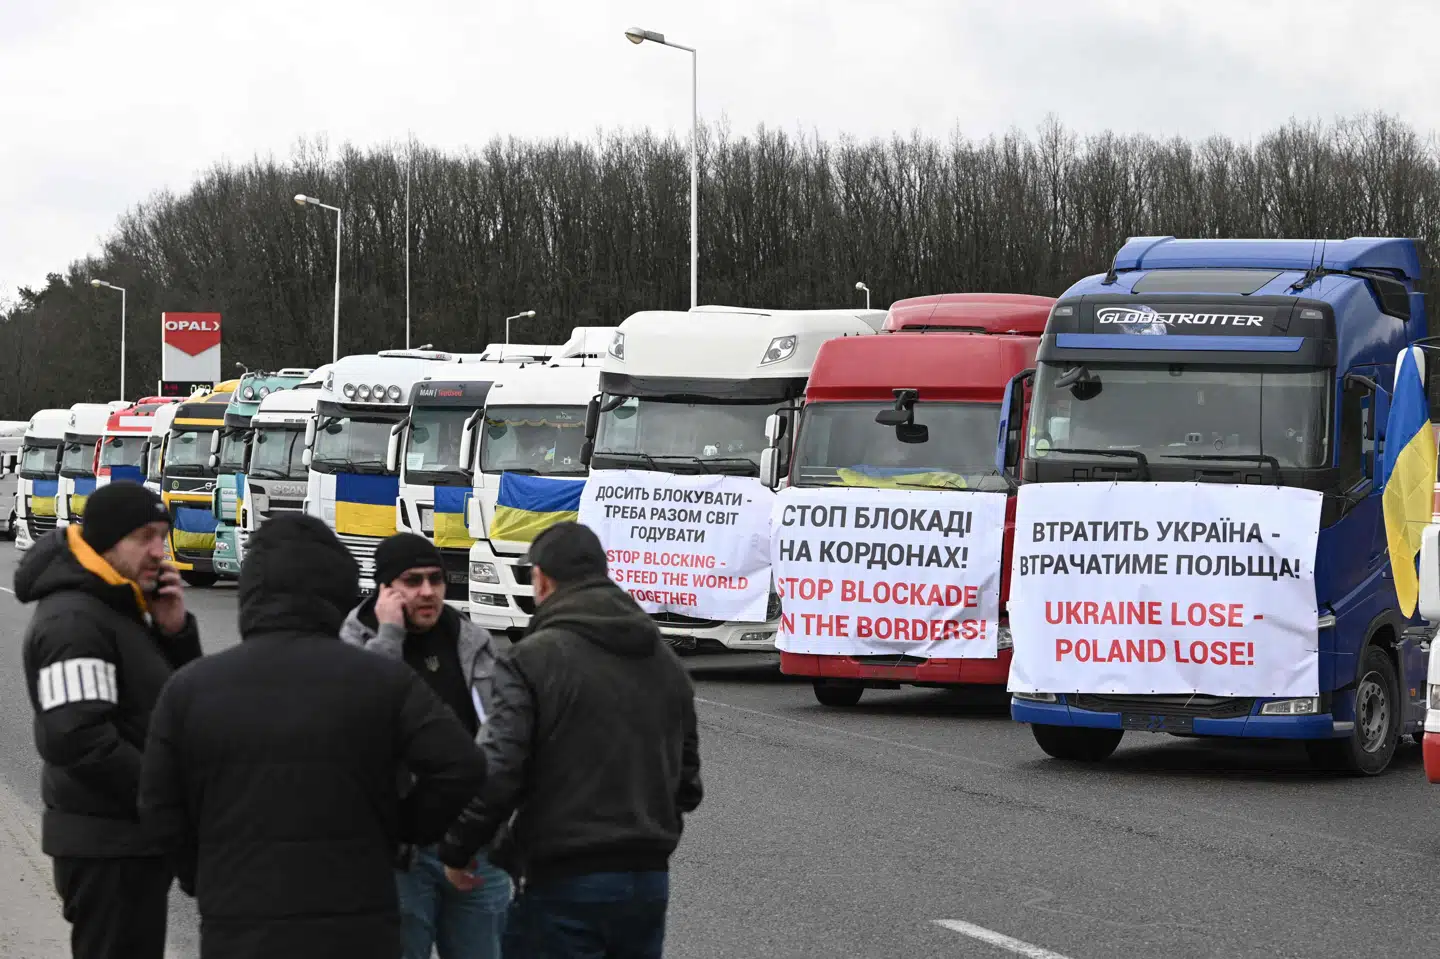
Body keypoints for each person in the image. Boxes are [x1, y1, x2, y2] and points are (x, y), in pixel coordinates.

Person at [137, 513, 486, 959]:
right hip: (358, 923)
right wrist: (400, 830)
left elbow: (158, 809)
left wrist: (200, 874)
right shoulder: (381, 681)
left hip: (240, 923)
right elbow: (462, 766)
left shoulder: (189, 689)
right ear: (336, 591)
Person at [437, 521, 703, 959]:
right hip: (648, 877)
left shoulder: (531, 659)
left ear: (542, 578)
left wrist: (460, 846)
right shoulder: (664, 660)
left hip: (564, 874)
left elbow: (501, 767)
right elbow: (687, 782)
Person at [15, 480, 201, 959]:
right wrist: (164, 797)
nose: (160, 551)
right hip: (106, 848)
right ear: (105, 541)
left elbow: (177, 705)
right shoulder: (73, 622)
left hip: (129, 840)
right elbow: (80, 741)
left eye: (163, 536)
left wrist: (175, 632)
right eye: (144, 537)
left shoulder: (117, 606)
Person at [341, 532, 510, 959]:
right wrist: (391, 636)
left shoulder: (471, 641)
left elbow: (501, 736)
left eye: (436, 579)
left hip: (474, 844)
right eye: (412, 581)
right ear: (384, 589)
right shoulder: (351, 644)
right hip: (400, 855)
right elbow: (363, 726)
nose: (428, 592)